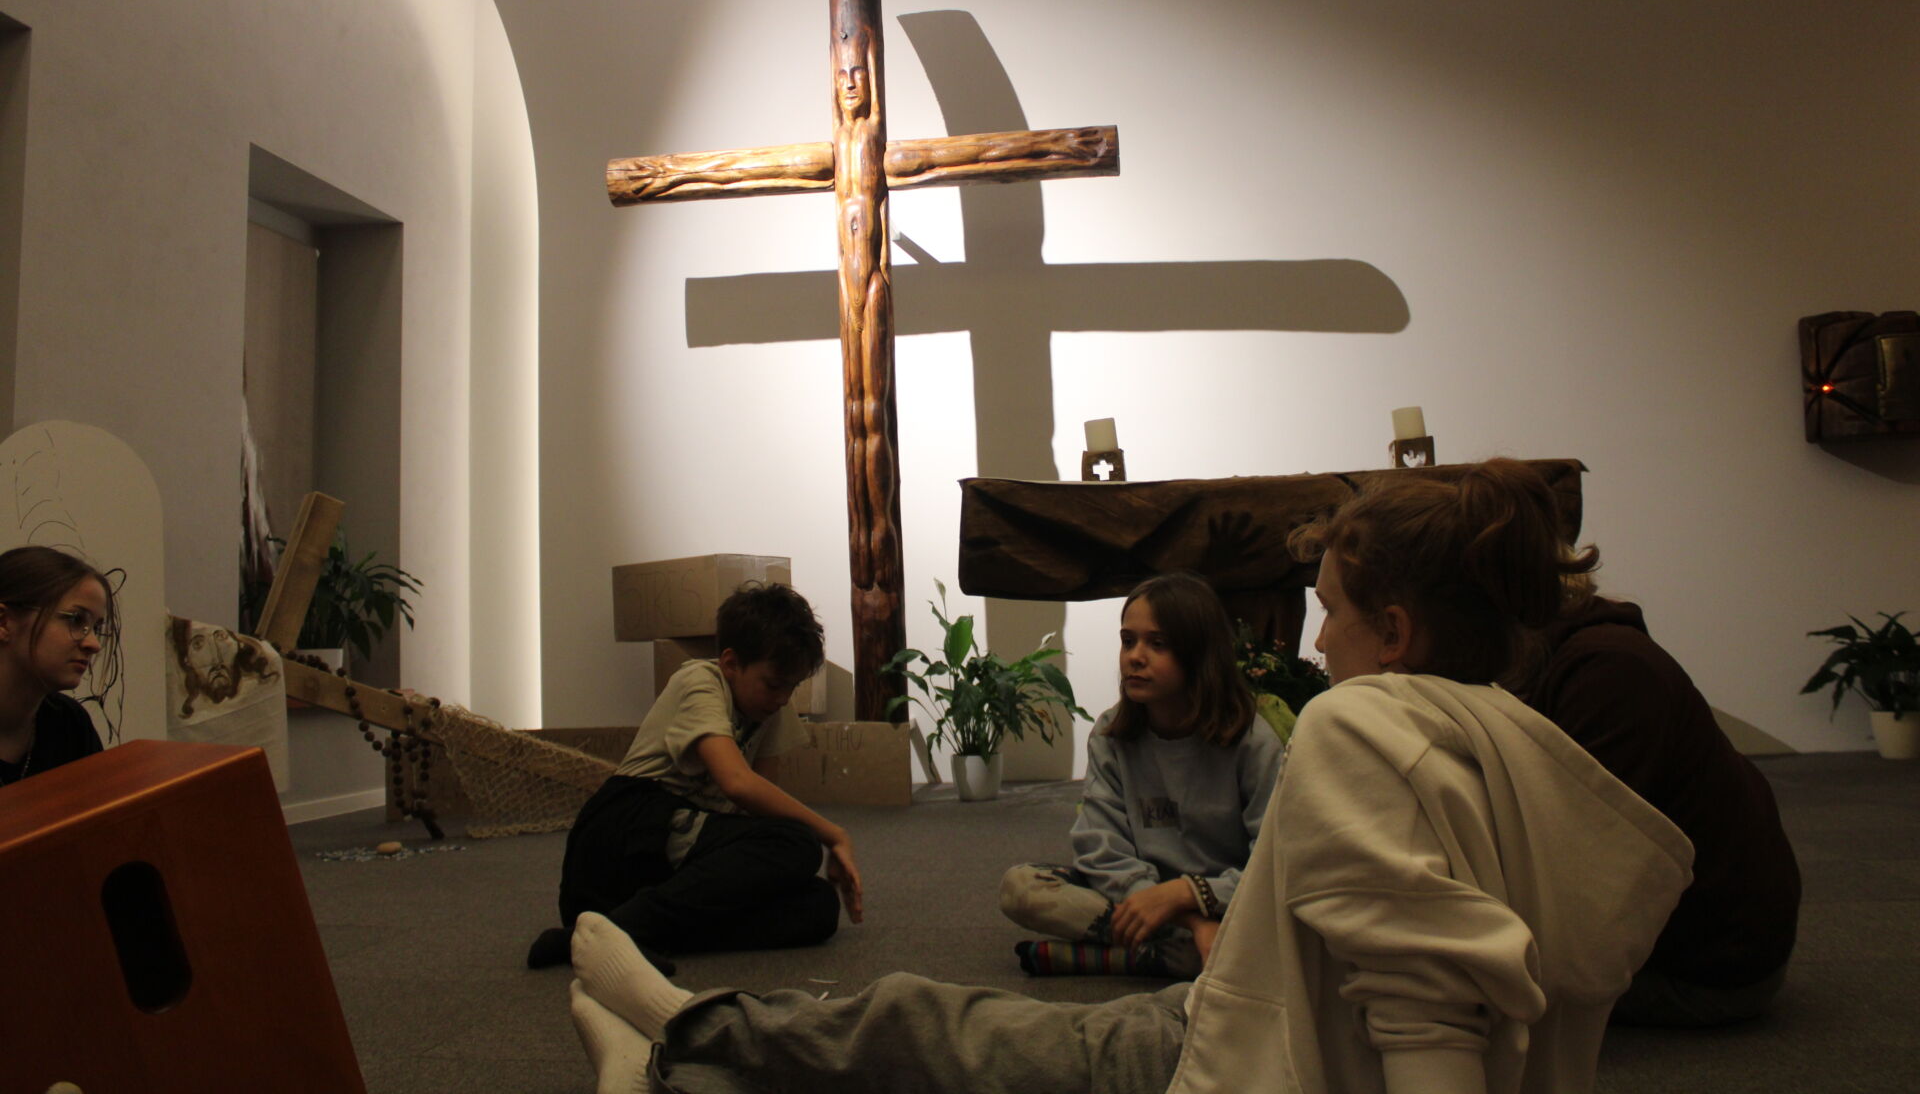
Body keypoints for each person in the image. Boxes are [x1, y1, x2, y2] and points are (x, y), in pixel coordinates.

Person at [564, 460, 1696, 1094]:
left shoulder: (1361, 723)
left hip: (1232, 1052)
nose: (1316, 637)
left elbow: (1428, 1021)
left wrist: (1197, 902)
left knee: (932, 1022)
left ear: (1394, 631)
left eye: (1332, 611)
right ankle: (685, 1043)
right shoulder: (1523, 748)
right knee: (1003, 956)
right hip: (1253, 996)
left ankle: (681, 1030)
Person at [526, 582, 863, 971]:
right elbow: (738, 784)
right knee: (798, 843)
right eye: (774, 684)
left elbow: (760, 806)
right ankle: (604, 936)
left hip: (677, 859)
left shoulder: (771, 707)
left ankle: (627, 933)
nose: (784, 697)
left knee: (818, 906)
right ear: (731, 664)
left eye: (792, 686)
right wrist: (833, 834)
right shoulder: (699, 681)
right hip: (625, 833)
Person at [1523, 585, 1800, 1026]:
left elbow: (1573, 862)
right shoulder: (1577, 657)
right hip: (1701, 947)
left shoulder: (1608, 670)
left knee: (1433, 982)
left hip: (1706, 973)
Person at [999, 571, 1284, 978]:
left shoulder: (1253, 741)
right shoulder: (1110, 734)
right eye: (1128, 640)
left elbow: (1273, 863)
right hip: (1141, 899)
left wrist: (1190, 894)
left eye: (1158, 644)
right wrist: (1175, 911)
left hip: (1230, 904)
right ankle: (1185, 952)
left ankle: (1137, 955)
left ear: (1199, 653)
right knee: (1022, 887)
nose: (1135, 656)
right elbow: (1100, 848)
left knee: (1282, 928)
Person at [0, 546, 120, 788]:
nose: (94, 644)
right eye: (75, 620)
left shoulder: (68, 723)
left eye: (96, 628)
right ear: (4, 622)